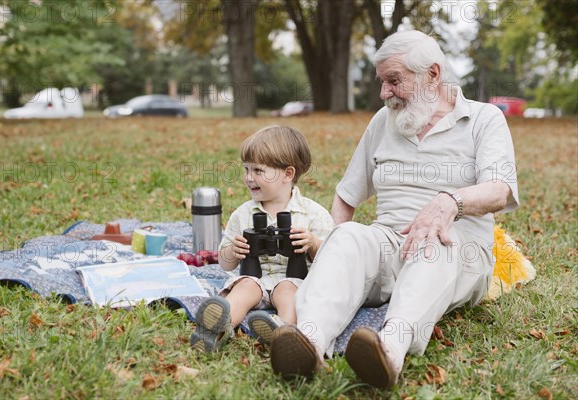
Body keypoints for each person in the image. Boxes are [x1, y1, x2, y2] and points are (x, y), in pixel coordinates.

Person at [268, 30, 520, 390]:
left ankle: (389, 351)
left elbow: (501, 189)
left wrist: (451, 201)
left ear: (432, 75)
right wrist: (332, 252)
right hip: (390, 244)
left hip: (456, 249)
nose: (384, 93)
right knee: (350, 235)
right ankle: (308, 341)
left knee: (435, 242)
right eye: (382, 82)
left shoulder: (483, 119)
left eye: (394, 81)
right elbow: (347, 196)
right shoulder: (383, 121)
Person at [190, 125, 334, 352]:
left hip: (292, 278)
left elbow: (331, 262)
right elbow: (226, 263)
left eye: (258, 171)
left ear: (288, 174)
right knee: (244, 287)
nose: (249, 178)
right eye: (246, 169)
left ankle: (283, 332)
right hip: (255, 277)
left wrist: (312, 244)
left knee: (289, 291)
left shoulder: (313, 214)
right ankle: (216, 330)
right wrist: (232, 252)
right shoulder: (244, 213)